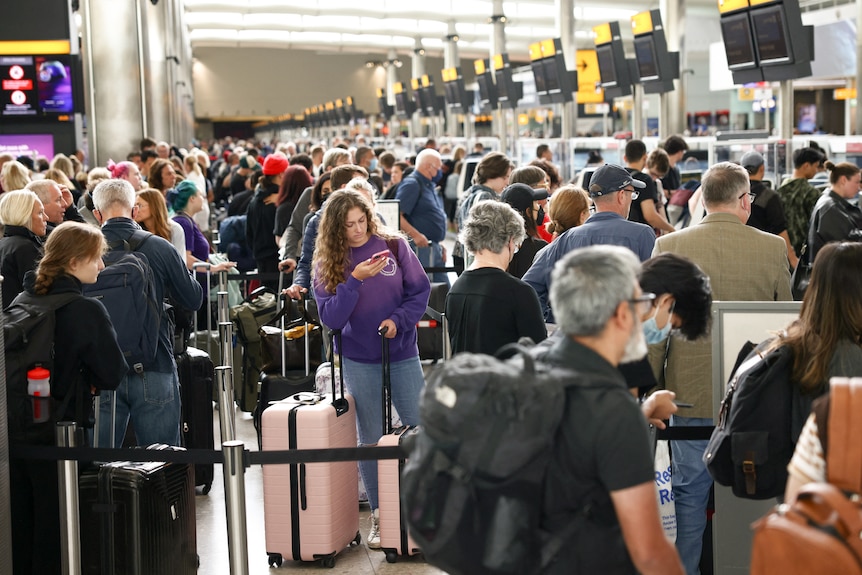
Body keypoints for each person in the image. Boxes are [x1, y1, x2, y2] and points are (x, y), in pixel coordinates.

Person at [651, 161, 792, 574]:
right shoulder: (770, 248)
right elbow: (785, 326)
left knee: (689, 500)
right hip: (754, 403)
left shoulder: (669, 246)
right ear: (744, 200)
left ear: (704, 201)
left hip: (687, 399)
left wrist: (650, 388)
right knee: (754, 498)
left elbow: (656, 332)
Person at [539, 245, 684, 575]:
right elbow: (649, 551)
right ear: (621, 314)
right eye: (639, 303)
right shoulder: (611, 409)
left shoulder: (535, 360)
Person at [313, 189, 430, 550]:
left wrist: (399, 320)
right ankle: (381, 515)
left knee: (420, 429)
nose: (358, 230)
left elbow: (419, 292)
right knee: (371, 437)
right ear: (336, 229)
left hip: (402, 352)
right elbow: (330, 316)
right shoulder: (329, 261)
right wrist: (355, 280)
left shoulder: (394, 246)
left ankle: (424, 512)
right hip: (358, 357)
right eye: (349, 225)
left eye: (362, 220)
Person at [10, 221, 128, 575]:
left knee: (21, 525)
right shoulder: (85, 310)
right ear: (75, 261)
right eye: (97, 259)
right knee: (58, 526)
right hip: (62, 433)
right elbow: (112, 373)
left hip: (17, 430)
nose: (103, 267)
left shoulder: (22, 298)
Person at [92, 179, 203, 448]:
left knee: (99, 469)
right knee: (163, 465)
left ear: (97, 214)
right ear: (134, 211)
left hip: (101, 371)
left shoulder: (82, 250)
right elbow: (193, 298)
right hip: (154, 363)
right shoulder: (159, 247)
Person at [523, 163, 653, 322]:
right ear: (621, 195)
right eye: (631, 194)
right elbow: (654, 291)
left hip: (576, 337)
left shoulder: (567, 238)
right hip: (623, 337)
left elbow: (529, 287)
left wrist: (554, 321)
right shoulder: (641, 234)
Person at [446, 200, 546, 354]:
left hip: (464, 376)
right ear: (510, 241)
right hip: (504, 376)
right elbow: (538, 354)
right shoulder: (519, 292)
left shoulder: (456, 289)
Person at [452, 152, 514, 270]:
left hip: (463, 255)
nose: (507, 182)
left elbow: (457, 223)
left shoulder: (469, 192)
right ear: (492, 174)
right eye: (505, 177)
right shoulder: (485, 197)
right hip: (477, 260)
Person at [396, 148, 449, 284]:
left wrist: (439, 243)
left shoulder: (429, 185)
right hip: (421, 248)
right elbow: (397, 215)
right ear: (427, 166)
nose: (440, 172)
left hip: (433, 247)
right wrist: (415, 235)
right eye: (438, 168)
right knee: (427, 292)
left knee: (442, 292)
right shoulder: (412, 184)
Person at [739, 151, 797, 268]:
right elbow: (780, 229)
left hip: (738, 252)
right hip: (764, 257)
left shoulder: (735, 194)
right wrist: (792, 259)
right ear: (762, 168)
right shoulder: (770, 196)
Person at [246, 153, 288, 289]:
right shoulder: (278, 203)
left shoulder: (255, 200)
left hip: (261, 259)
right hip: (277, 262)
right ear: (281, 174)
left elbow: (249, 234)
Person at [807, 161, 862, 263]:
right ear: (843, 180)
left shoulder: (831, 203)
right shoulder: (830, 208)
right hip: (833, 273)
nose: (858, 187)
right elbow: (848, 245)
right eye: (857, 182)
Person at [0, 190, 46, 308]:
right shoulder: (25, 248)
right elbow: (39, 295)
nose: (46, 217)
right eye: (40, 213)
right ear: (25, 216)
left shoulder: (5, 244)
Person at [778, 147, 825, 256]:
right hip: (802, 251)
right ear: (806, 166)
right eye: (816, 166)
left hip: (781, 247)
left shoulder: (780, 189)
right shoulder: (810, 192)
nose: (816, 170)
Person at [624, 140, 675, 235]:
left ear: (625, 158)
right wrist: (671, 229)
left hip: (622, 232)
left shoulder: (619, 176)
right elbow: (650, 216)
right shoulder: (645, 180)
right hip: (640, 234)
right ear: (645, 157)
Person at [500, 183, 549, 279]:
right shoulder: (540, 249)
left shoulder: (495, 248)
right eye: (535, 203)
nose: (538, 206)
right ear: (528, 212)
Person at [135, 188, 185, 258]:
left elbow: (180, 261)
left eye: (139, 206)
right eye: (134, 206)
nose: (136, 210)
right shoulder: (136, 231)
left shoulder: (175, 229)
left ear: (154, 206)